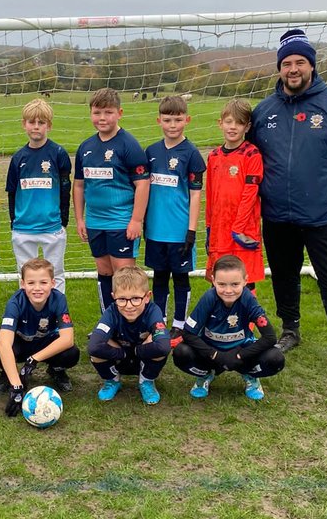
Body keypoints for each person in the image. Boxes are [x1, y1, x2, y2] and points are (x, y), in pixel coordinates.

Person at [250, 28, 327, 372]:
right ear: (279, 68)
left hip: (326, 214)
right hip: (277, 214)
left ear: (312, 66)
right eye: (287, 63)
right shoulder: (264, 111)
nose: (293, 69)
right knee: (284, 274)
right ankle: (290, 329)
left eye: (300, 62)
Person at [73, 88, 150, 311]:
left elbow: (143, 184)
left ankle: (136, 324)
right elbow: (79, 185)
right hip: (95, 223)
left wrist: (136, 220)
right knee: (105, 273)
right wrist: (80, 219)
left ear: (120, 113)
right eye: (97, 113)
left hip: (120, 222)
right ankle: (108, 321)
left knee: (125, 277)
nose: (102, 118)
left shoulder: (128, 145)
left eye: (108, 112)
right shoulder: (86, 147)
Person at [173, 254, 284, 401]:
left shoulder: (248, 299)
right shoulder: (209, 298)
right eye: (222, 284)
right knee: (181, 353)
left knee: (275, 359)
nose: (228, 290)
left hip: (241, 352)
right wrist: (215, 355)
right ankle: (205, 374)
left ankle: (250, 375)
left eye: (235, 284)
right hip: (212, 354)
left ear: (245, 281)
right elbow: (188, 333)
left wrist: (240, 355)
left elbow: (270, 337)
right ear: (213, 281)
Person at [143, 95, 205, 337]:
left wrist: (191, 230)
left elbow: (196, 195)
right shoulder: (151, 152)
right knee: (159, 279)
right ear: (159, 120)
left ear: (187, 120)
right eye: (167, 120)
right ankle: (160, 323)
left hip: (179, 231)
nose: (172, 125)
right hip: (155, 230)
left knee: (180, 279)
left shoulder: (191, 154)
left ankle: (179, 324)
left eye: (178, 119)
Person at [0, 257, 80, 413]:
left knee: (71, 353)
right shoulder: (15, 303)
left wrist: (33, 360)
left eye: (44, 282)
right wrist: (16, 386)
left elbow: (67, 339)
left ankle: (56, 370)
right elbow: (4, 344)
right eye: (31, 283)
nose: (37, 288)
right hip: (21, 344)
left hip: (44, 344)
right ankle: (8, 374)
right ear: (22, 284)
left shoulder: (59, 299)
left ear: (53, 283)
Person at [5, 99, 72, 293]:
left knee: (55, 273)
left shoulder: (58, 154)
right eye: (31, 122)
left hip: (52, 226)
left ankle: (59, 314)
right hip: (23, 227)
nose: (36, 127)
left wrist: (63, 219)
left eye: (41, 123)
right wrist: (14, 220)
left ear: (49, 126)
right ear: (24, 124)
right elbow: (11, 192)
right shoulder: (18, 158)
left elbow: (65, 188)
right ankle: (28, 315)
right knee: (26, 274)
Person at [88, 265, 171, 405]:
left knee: (159, 344)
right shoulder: (112, 311)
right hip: (119, 356)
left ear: (147, 297)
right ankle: (112, 380)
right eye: (122, 299)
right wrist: (123, 354)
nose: (129, 305)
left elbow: (163, 346)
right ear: (114, 297)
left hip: (143, 356)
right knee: (96, 350)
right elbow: (94, 347)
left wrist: (136, 351)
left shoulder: (153, 311)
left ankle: (146, 380)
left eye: (135, 298)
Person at [205, 99, 264, 288]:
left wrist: (238, 228)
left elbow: (250, 194)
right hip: (219, 231)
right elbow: (211, 195)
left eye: (239, 123)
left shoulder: (252, 154)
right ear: (220, 123)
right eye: (229, 121)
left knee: (244, 282)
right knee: (220, 281)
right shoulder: (214, 156)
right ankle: (220, 318)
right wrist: (209, 227)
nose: (233, 127)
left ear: (247, 127)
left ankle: (249, 318)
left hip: (243, 231)